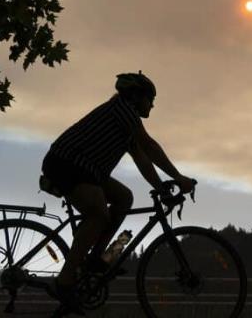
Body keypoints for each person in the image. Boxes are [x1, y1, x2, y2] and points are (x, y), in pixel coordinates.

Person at [40, 71, 196, 314]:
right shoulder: (124, 111)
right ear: (135, 97)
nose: (152, 104)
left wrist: (160, 186)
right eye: (150, 98)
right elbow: (149, 146)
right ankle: (65, 280)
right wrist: (177, 178)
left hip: (85, 169)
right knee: (98, 215)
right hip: (67, 164)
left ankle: (96, 257)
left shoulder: (125, 119)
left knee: (124, 197)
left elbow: (142, 158)